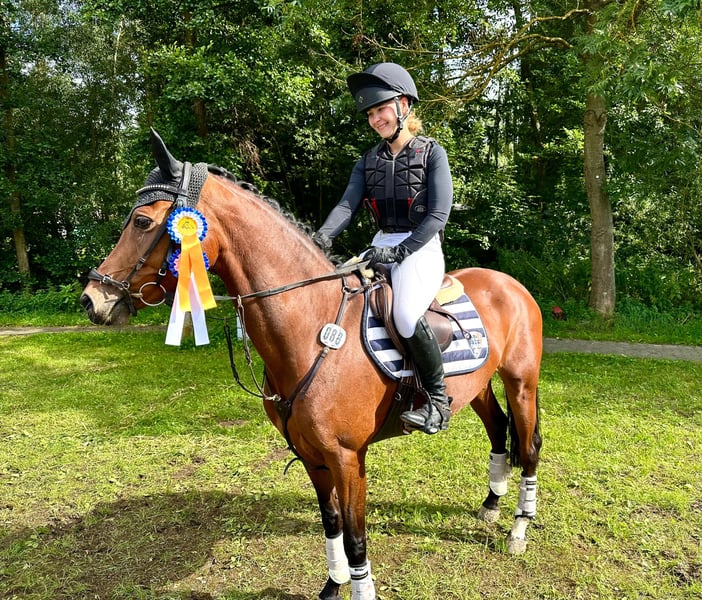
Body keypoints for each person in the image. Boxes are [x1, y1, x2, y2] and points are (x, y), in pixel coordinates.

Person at [312, 62, 454, 434]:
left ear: (403, 105)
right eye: (370, 114)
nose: (375, 119)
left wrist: (401, 252)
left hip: (420, 247)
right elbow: (347, 205)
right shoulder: (368, 161)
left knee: (405, 315)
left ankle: (438, 401)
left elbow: (438, 215)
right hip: (380, 245)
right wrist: (321, 237)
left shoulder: (432, 154)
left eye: (381, 109)